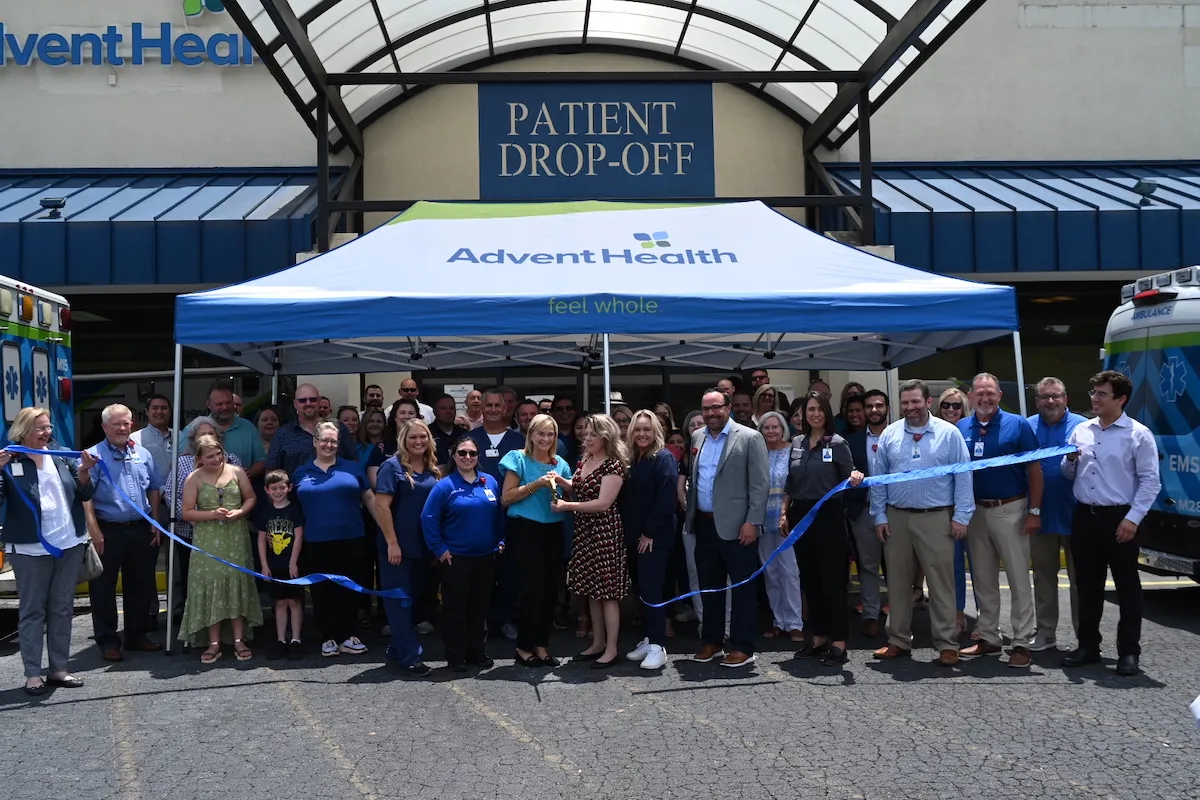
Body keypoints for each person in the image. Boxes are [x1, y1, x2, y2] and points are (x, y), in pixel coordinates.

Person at [1061, 370, 1160, 677]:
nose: (1095, 398)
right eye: (1093, 393)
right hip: (1085, 517)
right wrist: (1071, 461)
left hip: (1120, 518)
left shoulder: (1137, 434)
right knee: (1087, 586)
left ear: (1121, 399)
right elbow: (1067, 473)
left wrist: (1133, 519)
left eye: (1102, 394)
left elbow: (1150, 481)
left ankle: (1129, 652)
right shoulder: (1082, 430)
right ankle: (1088, 646)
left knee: (1127, 588)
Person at [870, 380, 973, 667]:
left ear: (928, 403)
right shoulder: (890, 434)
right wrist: (879, 515)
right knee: (898, 582)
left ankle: (947, 644)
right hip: (897, 517)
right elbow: (878, 480)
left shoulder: (949, 434)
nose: (910, 407)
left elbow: (963, 476)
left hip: (936, 517)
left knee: (941, 583)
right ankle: (898, 640)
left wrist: (961, 516)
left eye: (916, 402)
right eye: (905, 402)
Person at [0, 408, 96, 695]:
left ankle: (58, 670)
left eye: (48, 427)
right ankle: (32, 674)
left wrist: (83, 473)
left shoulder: (60, 454)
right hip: (30, 548)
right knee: (32, 611)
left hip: (69, 543)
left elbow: (85, 494)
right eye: (40, 428)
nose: (47, 433)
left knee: (62, 608)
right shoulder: (10, 459)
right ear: (23, 431)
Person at [957, 373, 1043, 668]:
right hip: (975, 512)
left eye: (990, 393)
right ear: (970, 396)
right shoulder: (961, 427)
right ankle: (990, 637)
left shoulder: (1018, 425)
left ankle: (1021, 642)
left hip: (1012, 510)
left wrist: (1034, 511)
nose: (985, 398)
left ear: (999, 396)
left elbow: (1034, 469)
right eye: (979, 393)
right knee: (982, 579)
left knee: (1019, 579)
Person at [685, 389, 769, 668]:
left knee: (743, 589)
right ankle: (712, 641)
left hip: (739, 528)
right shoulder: (697, 437)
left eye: (716, 408)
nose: (710, 414)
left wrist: (752, 521)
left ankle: (743, 647)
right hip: (705, 525)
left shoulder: (750, 437)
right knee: (709, 588)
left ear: (729, 407)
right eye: (706, 409)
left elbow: (760, 484)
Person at [780, 392, 863, 666]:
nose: (814, 414)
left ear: (826, 413)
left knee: (832, 584)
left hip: (828, 516)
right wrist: (784, 513)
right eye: (809, 410)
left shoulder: (838, 444)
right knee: (810, 581)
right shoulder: (796, 443)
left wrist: (855, 477)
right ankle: (817, 637)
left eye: (818, 409)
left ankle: (838, 643)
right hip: (801, 515)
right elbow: (790, 484)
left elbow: (851, 477)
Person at [83, 404, 162, 662]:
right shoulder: (92, 457)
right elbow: (85, 498)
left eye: (126, 423)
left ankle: (136, 636)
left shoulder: (143, 454)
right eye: (116, 424)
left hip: (140, 528)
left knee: (140, 584)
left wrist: (155, 522)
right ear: (104, 427)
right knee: (103, 588)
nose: (122, 428)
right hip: (108, 530)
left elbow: (153, 487)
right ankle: (108, 642)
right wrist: (94, 531)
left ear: (133, 424)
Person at [293, 421, 378, 658]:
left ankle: (347, 636)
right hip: (315, 541)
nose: (329, 445)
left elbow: (369, 498)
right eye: (325, 440)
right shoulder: (301, 473)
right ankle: (328, 637)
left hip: (352, 538)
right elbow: (292, 508)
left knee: (349, 589)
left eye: (333, 441)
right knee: (322, 591)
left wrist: (383, 526)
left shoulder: (352, 468)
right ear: (315, 442)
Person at [421, 436, 505, 672]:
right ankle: (456, 656)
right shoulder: (444, 485)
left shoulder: (489, 482)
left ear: (478, 457)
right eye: (462, 453)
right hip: (455, 558)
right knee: (455, 609)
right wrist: (439, 548)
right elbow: (428, 519)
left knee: (479, 608)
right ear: (454, 455)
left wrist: (500, 540)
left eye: (472, 453)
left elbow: (498, 515)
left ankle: (477, 652)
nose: (467, 457)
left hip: (486, 557)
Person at [178, 434, 262, 663]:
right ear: (199, 459)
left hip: (235, 536)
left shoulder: (236, 471)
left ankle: (238, 639)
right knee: (211, 585)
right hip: (207, 538)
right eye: (210, 456)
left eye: (219, 454)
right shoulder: (193, 478)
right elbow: (186, 512)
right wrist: (212, 515)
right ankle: (213, 642)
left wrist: (241, 512)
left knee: (235, 582)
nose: (216, 459)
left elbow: (251, 497)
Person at [554, 414, 629, 668]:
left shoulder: (613, 465)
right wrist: (559, 480)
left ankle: (611, 649)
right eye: (585, 434)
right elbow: (577, 486)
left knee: (608, 594)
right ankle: (598, 643)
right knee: (591, 592)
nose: (587, 438)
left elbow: (603, 503)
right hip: (585, 532)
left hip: (605, 533)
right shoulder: (585, 459)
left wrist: (566, 506)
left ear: (606, 437)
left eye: (592, 435)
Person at [499, 413, 573, 668]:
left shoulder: (560, 463)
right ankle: (523, 647)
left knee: (551, 590)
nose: (545, 438)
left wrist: (563, 490)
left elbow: (573, 491)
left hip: (552, 530)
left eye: (550, 434)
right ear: (530, 434)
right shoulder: (518, 458)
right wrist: (536, 485)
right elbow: (506, 498)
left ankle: (542, 646)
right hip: (524, 529)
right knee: (531, 590)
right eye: (540, 433)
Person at [374, 420, 441, 678]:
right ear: (403, 439)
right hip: (397, 549)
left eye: (423, 437)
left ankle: (398, 648)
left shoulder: (432, 468)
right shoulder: (391, 467)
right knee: (399, 603)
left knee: (412, 603)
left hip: (423, 548)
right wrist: (392, 542)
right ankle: (411, 657)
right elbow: (381, 507)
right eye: (413, 437)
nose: (418, 441)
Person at [1027, 376, 1085, 651]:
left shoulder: (1084, 427)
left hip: (1078, 516)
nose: (1050, 401)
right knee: (1043, 577)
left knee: (1082, 579)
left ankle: (1084, 637)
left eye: (1055, 396)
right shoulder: (1027, 427)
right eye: (1044, 397)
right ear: (1036, 401)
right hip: (1039, 514)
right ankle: (1046, 634)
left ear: (1066, 399)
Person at [167, 418, 245, 622]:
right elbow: (170, 495)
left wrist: (235, 513)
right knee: (195, 584)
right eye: (203, 434)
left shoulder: (233, 461)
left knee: (231, 582)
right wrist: (198, 518)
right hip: (193, 535)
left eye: (212, 434)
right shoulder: (182, 463)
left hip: (230, 535)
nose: (208, 438)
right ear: (194, 439)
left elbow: (243, 495)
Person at [621, 410, 679, 670]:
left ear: (656, 431)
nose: (642, 434)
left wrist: (650, 532)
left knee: (652, 588)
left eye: (647, 429)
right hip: (634, 536)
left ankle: (658, 645)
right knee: (642, 589)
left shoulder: (663, 458)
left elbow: (666, 499)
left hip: (654, 536)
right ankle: (648, 638)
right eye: (638, 429)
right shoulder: (633, 459)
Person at [756, 411, 804, 644]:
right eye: (767, 427)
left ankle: (795, 624)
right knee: (771, 572)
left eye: (776, 427)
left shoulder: (792, 451)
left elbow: (794, 485)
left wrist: (787, 513)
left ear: (783, 428)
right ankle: (779, 621)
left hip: (786, 519)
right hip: (762, 520)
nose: (772, 431)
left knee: (790, 571)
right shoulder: (758, 453)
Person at [845, 390, 887, 636]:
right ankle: (871, 614)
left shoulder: (899, 436)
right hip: (863, 512)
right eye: (869, 406)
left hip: (895, 512)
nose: (874, 410)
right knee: (868, 567)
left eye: (878, 405)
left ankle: (898, 618)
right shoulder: (852, 440)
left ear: (887, 409)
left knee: (897, 568)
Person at [254, 470, 305, 661]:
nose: (278, 491)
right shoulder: (265, 512)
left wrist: (293, 562)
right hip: (273, 564)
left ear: (289, 488)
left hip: (293, 565)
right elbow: (260, 540)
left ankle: (296, 640)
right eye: (273, 488)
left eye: (282, 487)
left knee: (295, 601)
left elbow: (299, 536)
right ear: (267, 490)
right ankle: (281, 640)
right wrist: (264, 565)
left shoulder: (295, 509)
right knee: (280, 602)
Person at [935, 385, 974, 633]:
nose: (951, 410)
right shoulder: (937, 433)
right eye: (946, 405)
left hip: (978, 508)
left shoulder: (972, 428)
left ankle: (986, 620)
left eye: (956, 405)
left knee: (982, 569)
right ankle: (958, 614)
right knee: (955, 566)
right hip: (949, 509)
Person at [268, 384, 357, 478]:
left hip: (336, 490)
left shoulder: (338, 427)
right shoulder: (282, 434)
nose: (308, 403)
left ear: (319, 401)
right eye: (302, 400)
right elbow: (272, 471)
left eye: (313, 399)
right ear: (295, 404)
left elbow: (353, 460)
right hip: (297, 490)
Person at [208, 381, 266, 480]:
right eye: (219, 404)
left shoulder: (248, 427)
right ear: (209, 405)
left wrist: (248, 473)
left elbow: (262, 461)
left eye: (228, 402)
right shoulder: (196, 428)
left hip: (241, 490)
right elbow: (184, 461)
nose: (225, 407)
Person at [432, 393, 470, 465]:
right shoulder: (427, 434)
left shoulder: (464, 434)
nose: (448, 411)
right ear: (434, 411)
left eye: (451, 408)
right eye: (443, 408)